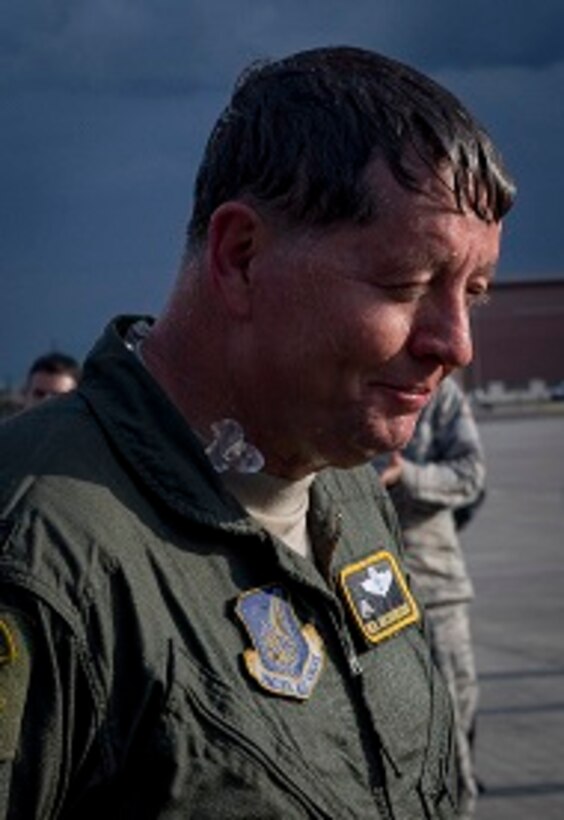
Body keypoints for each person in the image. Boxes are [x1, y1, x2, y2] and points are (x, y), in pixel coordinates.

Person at [0, 46, 514, 819]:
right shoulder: (40, 544)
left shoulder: (345, 488)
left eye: (472, 294)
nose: (457, 343)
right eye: (407, 285)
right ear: (241, 257)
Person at [376, 376, 486, 818]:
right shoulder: (344, 385)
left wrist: (407, 476)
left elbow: (470, 474)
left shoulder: (437, 394)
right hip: (368, 594)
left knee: (455, 726)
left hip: (433, 587)